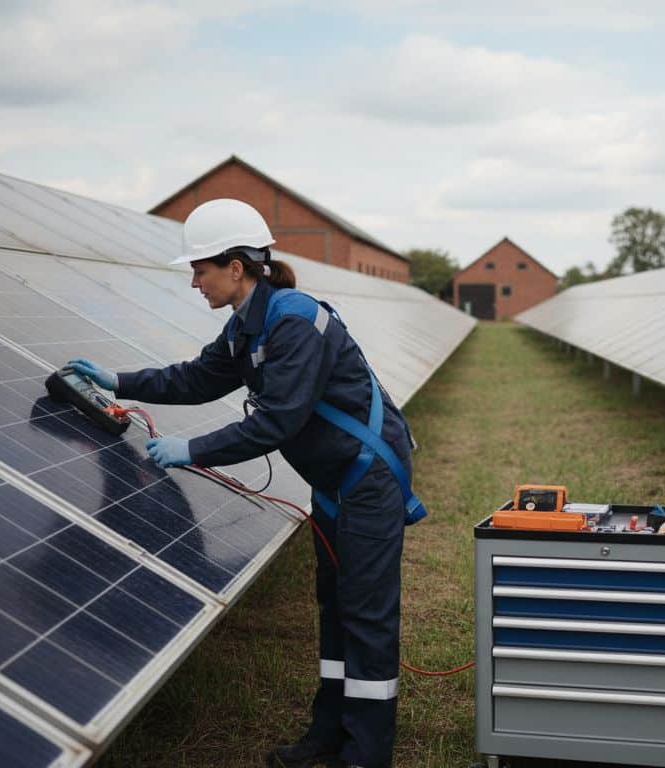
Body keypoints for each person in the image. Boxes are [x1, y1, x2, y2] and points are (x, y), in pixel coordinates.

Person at [67, 198, 423, 768]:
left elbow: (277, 422)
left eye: (200, 270)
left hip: (366, 477)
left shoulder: (295, 321)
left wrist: (191, 450)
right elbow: (196, 378)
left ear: (236, 267)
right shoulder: (247, 325)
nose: (194, 283)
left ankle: (366, 753)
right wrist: (119, 380)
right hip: (334, 481)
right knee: (335, 605)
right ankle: (327, 733)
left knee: (366, 613)